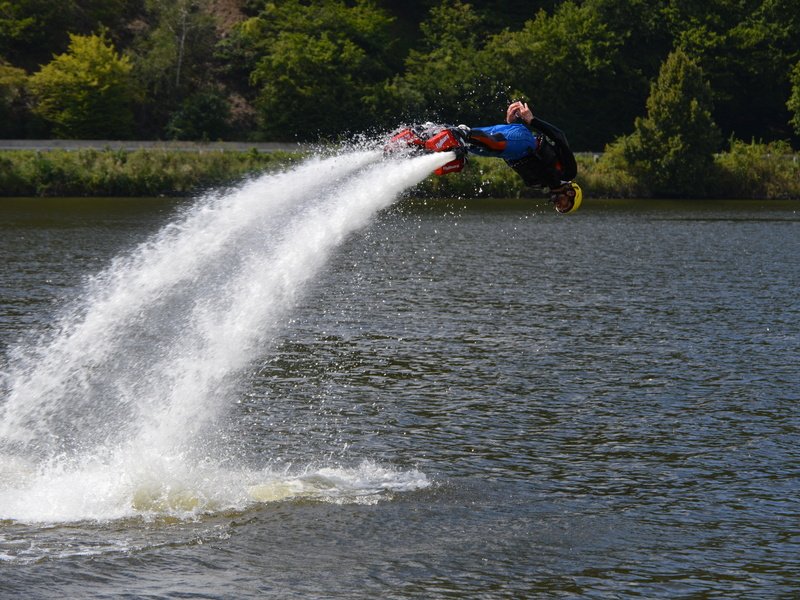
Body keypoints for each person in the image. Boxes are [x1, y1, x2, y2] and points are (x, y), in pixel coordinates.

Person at [458, 101, 582, 214]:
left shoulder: (537, 184)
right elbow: (559, 136)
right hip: (524, 142)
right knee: (477, 138)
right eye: (564, 205)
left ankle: (450, 136)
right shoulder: (568, 172)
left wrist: (510, 124)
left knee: (464, 143)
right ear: (571, 194)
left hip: (503, 149)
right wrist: (532, 120)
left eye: (559, 208)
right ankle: (466, 135)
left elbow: (512, 159)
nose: (558, 205)